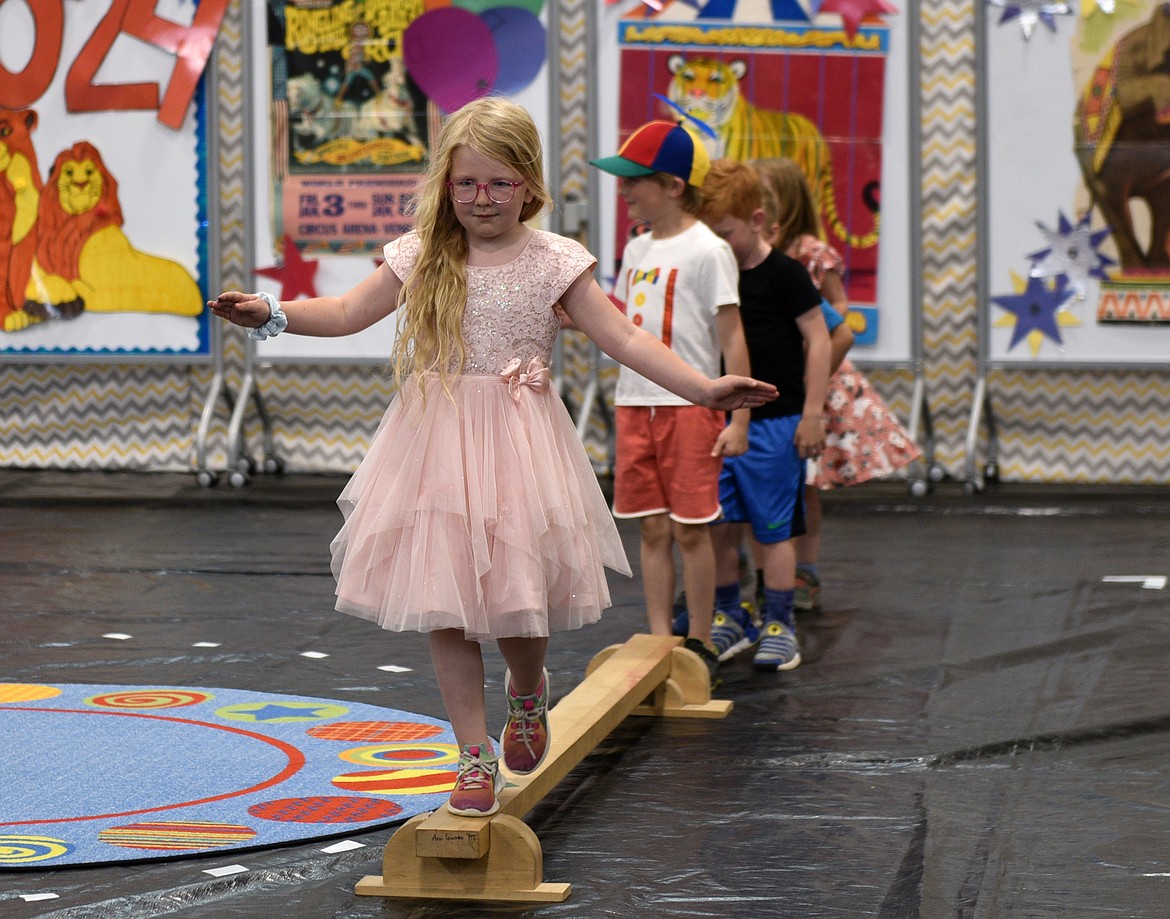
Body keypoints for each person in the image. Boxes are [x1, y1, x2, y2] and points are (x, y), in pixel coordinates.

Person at [209, 97, 777, 820]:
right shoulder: (422, 252)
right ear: (446, 183)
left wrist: (704, 387)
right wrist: (276, 312)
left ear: (528, 186)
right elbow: (350, 310)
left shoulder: (555, 261)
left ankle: (528, 686)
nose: (482, 198)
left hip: (517, 442)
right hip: (436, 443)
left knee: (516, 595)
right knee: (444, 603)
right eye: (468, 183)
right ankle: (472, 754)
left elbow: (627, 340)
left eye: (499, 184)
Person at [590, 120, 754, 680]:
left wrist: (739, 418)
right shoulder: (636, 247)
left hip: (690, 407)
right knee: (652, 526)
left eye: (636, 181)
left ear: (674, 185)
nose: (625, 191)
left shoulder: (710, 251)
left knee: (691, 527)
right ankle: (660, 639)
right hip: (634, 402)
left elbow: (731, 335)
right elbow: (624, 323)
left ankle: (701, 639)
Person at [754, 156, 920, 611]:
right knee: (769, 479)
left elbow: (839, 306)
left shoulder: (809, 252)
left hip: (815, 371)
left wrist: (819, 344)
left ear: (784, 199)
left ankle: (803, 569)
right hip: (770, 373)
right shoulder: (747, 252)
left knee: (804, 480)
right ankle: (767, 570)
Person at [696, 158, 831, 671]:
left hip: (776, 423)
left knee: (772, 529)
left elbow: (819, 339)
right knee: (719, 523)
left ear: (756, 221)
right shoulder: (713, 273)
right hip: (720, 420)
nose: (717, 243)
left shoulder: (786, 274)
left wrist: (813, 413)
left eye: (725, 232)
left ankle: (780, 620)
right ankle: (731, 613)